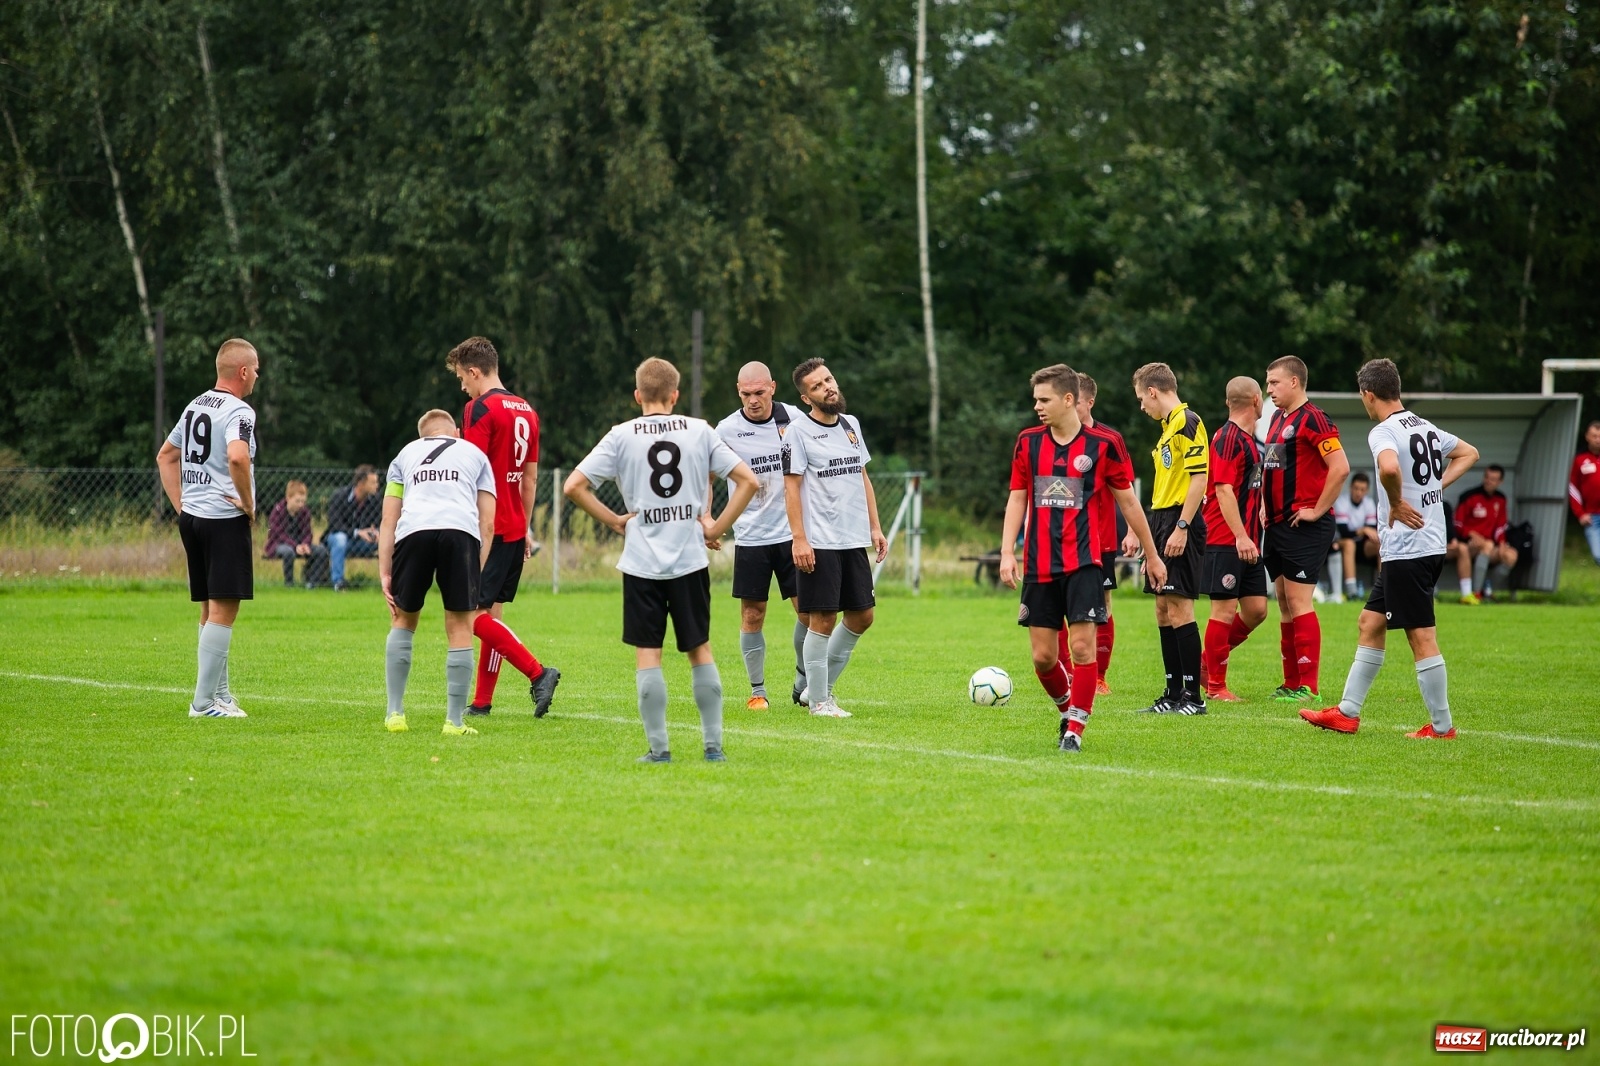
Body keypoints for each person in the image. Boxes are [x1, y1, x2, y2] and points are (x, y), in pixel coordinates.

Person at [564, 358, 759, 762]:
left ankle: (659, 749)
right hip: (689, 559)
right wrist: (716, 526)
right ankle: (713, 748)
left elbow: (574, 486)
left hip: (641, 563)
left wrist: (615, 520)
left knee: (648, 653)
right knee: (699, 650)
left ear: (638, 396)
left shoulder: (621, 435)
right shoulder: (699, 430)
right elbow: (748, 481)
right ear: (675, 395)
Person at [1301, 359, 1479, 739]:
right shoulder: (1424, 426)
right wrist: (1434, 488)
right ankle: (1347, 713)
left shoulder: (1383, 431)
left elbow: (1390, 469)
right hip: (1423, 545)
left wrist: (1398, 502)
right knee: (1369, 623)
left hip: (1409, 547)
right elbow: (1469, 453)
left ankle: (1442, 727)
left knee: (1421, 637)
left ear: (1368, 394)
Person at [1000, 365, 1165, 752]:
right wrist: (1007, 551)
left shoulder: (1102, 445)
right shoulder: (1027, 442)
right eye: (1036, 400)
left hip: (1084, 564)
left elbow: (1129, 503)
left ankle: (1075, 729)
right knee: (1044, 657)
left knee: (1081, 648)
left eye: (1044, 400)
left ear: (1068, 399)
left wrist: (1153, 554)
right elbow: (1017, 498)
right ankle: (1066, 710)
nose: (1037, 406)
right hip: (1039, 565)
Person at [447, 336, 561, 718]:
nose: (463, 387)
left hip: (488, 526)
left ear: (475, 372)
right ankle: (482, 701)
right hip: (513, 525)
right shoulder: (527, 410)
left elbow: (471, 469)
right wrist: (525, 527)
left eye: (462, 378)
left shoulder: (478, 408)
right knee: (492, 617)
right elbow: (530, 478)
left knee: (470, 615)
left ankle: (538, 672)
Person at [155, 337, 260, 719]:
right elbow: (237, 457)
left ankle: (220, 695)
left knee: (209, 609)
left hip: (194, 519)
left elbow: (166, 456)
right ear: (243, 372)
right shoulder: (240, 411)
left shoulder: (196, 404)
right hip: (222, 519)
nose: (257, 377)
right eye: (256, 370)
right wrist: (248, 504)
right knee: (224, 610)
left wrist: (183, 505)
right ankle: (202, 704)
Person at [378, 409, 499, 735]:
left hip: (413, 532)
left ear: (423, 437)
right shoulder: (475, 455)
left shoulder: (405, 455)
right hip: (460, 532)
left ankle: (395, 713)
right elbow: (488, 523)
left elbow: (389, 519)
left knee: (403, 620)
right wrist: (476, 569)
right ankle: (454, 722)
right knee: (459, 626)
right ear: (456, 432)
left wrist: (385, 572)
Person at [785, 358, 890, 719]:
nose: (827, 387)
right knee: (823, 619)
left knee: (863, 616)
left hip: (852, 538)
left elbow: (862, 477)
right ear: (806, 398)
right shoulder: (797, 431)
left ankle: (815, 690)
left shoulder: (850, 425)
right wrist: (799, 539)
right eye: (817, 386)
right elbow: (791, 488)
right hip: (820, 541)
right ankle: (818, 701)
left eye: (828, 379)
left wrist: (874, 527)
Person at [713, 361, 808, 710]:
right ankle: (758, 691)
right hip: (751, 537)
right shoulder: (726, 430)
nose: (753, 400)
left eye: (759, 392)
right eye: (746, 394)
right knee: (752, 614)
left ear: (772, 388)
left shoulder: (794, 419)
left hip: (793, 535)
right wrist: (707, 517)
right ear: (738, 392)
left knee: (808, 612)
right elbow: (707, 474)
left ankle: (803, 682)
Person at [1261, 355, 1350, 704]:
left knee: (1299, 601)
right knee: (1284, 601)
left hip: (1304, 525)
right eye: (1268, 383)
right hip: (1277, 524)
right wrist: (1265, 505)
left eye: (1274, 382)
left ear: (1294, 382)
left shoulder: (1314, 418)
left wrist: (1317, 509)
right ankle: (1291, 681)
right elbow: (1274, 467)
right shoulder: (1276, 419)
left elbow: (1340, 467)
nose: (1269, 389)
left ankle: (1308, 686)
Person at [1126, 362, 1210, 715]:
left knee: (1179, 606)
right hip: (1162, 520)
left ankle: (1194, 698)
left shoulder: (1188, 422)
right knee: (1162, 608)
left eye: (1141, 398)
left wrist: (1182, 526)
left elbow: (1199, 478)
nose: (1141, 406)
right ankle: (1173, 694)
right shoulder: (1167, 428)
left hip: (1179, 520)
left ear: (1153, 391)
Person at [1200, 376, 1268, 702]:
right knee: (1223, 611)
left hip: (1249, 540)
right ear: (1256, 400)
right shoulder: (1228, 438)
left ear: (1229, 402)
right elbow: (1223, 490)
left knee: (1256, 610)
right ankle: (1216, 686)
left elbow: (1246, 485)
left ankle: (1204, 663)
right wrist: (1241, 536)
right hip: (1226, 539)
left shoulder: (1250, 440)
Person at [1074, 373, 1129, 694]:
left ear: (1089, 402)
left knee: (1103, 604)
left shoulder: (1109, 439)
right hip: (1062, 539)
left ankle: (1098, 677)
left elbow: (1125, 492)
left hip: (1102, 538)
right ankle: (1071, 671)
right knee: (1062, 604)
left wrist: (1132, 532)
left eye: (1076, 402)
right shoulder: (1053, 438)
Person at [1454, 465, 1518, 602]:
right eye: (1487, 477)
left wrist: (1502, 543)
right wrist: (1471, 533)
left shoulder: (1501, 499)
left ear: (1500, 482)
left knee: (1511, 556)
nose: (1489, 481)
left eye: (1493, 479)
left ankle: (1487, 587)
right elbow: (1457, 524)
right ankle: (1476, 593)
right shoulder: (1469, 496)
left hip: (1490, 545)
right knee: (1487, 546)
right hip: (1469, 544)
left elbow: (1501, 526)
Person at [326, 465, 382, 590]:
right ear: (361, 483)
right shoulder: (339, 496)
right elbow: (335, 525)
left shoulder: (376, 499)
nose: (377, 486)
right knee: (340, 539)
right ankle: (338, 583)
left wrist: (376, 533)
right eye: (373, 482)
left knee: (387, 537)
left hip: (363, 543)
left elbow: (379, 522)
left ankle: (390, 582)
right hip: (340, 541)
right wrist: (357, 532)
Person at [262, 479, 327, 587]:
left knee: (321, 551)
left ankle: (312, 583)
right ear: (288, 498)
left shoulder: (305, 512)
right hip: (279, 545)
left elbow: (308, 533)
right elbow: (278, 534)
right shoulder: (277, 511)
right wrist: (295, 546)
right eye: (297, 501)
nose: (301, 504)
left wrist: (305, 544)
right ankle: (289, 584)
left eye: (303, 501)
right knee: (288, 552)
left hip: (299, 545)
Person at [1331, 472, 1380, 600]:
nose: (1358, 493)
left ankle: (1382, 588)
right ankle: (1352, 592)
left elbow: (1372, 532)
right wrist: (1363, 530)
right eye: (1356, 488)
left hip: (1362, 544)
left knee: (1379, 544)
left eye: (1362, 490)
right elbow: (1344, 532)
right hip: (1340, 542)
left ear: (1367, 491)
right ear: (1351, 488)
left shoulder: (1369, 503)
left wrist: (1365, 531)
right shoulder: (1342, 502)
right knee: (1349, 544)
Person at [1568, 421, 1600, 565]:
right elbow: (1573, 488)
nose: (1598, 440)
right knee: (1598, 555)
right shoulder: (1580, 460)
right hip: (1592, 517)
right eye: (1594, 436)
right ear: (1587, 437)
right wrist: (1580, 513)